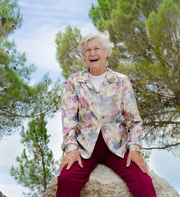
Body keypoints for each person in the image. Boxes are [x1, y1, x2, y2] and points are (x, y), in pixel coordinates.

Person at [56, 32, 156, 197]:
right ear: (83, 56)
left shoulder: (121, 81)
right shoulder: (74, 82)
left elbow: (134, 120)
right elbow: (68, 120)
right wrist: (71, 149)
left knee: (144, 182)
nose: (92, 53)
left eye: (97, 48)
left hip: (117, 147)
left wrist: (135, 149)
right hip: (85, 148)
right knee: (67, 180)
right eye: (87, 50)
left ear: (107, 52)